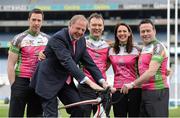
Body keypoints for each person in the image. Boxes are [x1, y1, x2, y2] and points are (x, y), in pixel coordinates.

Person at [30, 14, 109, 117]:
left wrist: (102, 82)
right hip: (48, 81)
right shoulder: (58, 38)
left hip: (64, 82)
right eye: (78, 28)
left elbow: (90, 64)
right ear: (70, 25)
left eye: (83, 30)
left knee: (80, 109)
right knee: (52, 115)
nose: (80, 32)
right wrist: (90, 82)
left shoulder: (81, 41)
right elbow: (67, 62)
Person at [121, 19, 169, 117]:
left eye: (148, 31)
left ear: (154, 31)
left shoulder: (158, 47)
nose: (145, 34)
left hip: (157, 91)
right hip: (145, 91)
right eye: (143, 31)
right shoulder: (144, 48)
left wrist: (132, 84)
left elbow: (151, 72)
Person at [7, 8, 49, 117]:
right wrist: (13, 85)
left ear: (42, 21)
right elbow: (11, 64)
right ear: (28, 20)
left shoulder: (48, 40)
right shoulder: (18, 39)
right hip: (21, 81)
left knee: (35, 115)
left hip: (39, 82)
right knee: (15, 115)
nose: (36, 23)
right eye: (33, 20)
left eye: (39, 20)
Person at [77, 13, 111, 117]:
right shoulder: (81, 43)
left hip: (103, 89)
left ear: (103, 27)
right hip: (85, 88)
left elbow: (108, 64)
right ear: (88, 26)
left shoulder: (108, 46)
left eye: (99, 25)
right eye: (94, 25)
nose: (97, 28)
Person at [108, 23, 141, 117]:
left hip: (134, 89)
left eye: (124, 31)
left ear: (129, 33)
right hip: (117, 90)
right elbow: (102, 66)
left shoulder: (137, 50)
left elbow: (145, 67)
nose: (122, 33)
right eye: (119, 31)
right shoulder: (110, 50)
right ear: (116, 34)